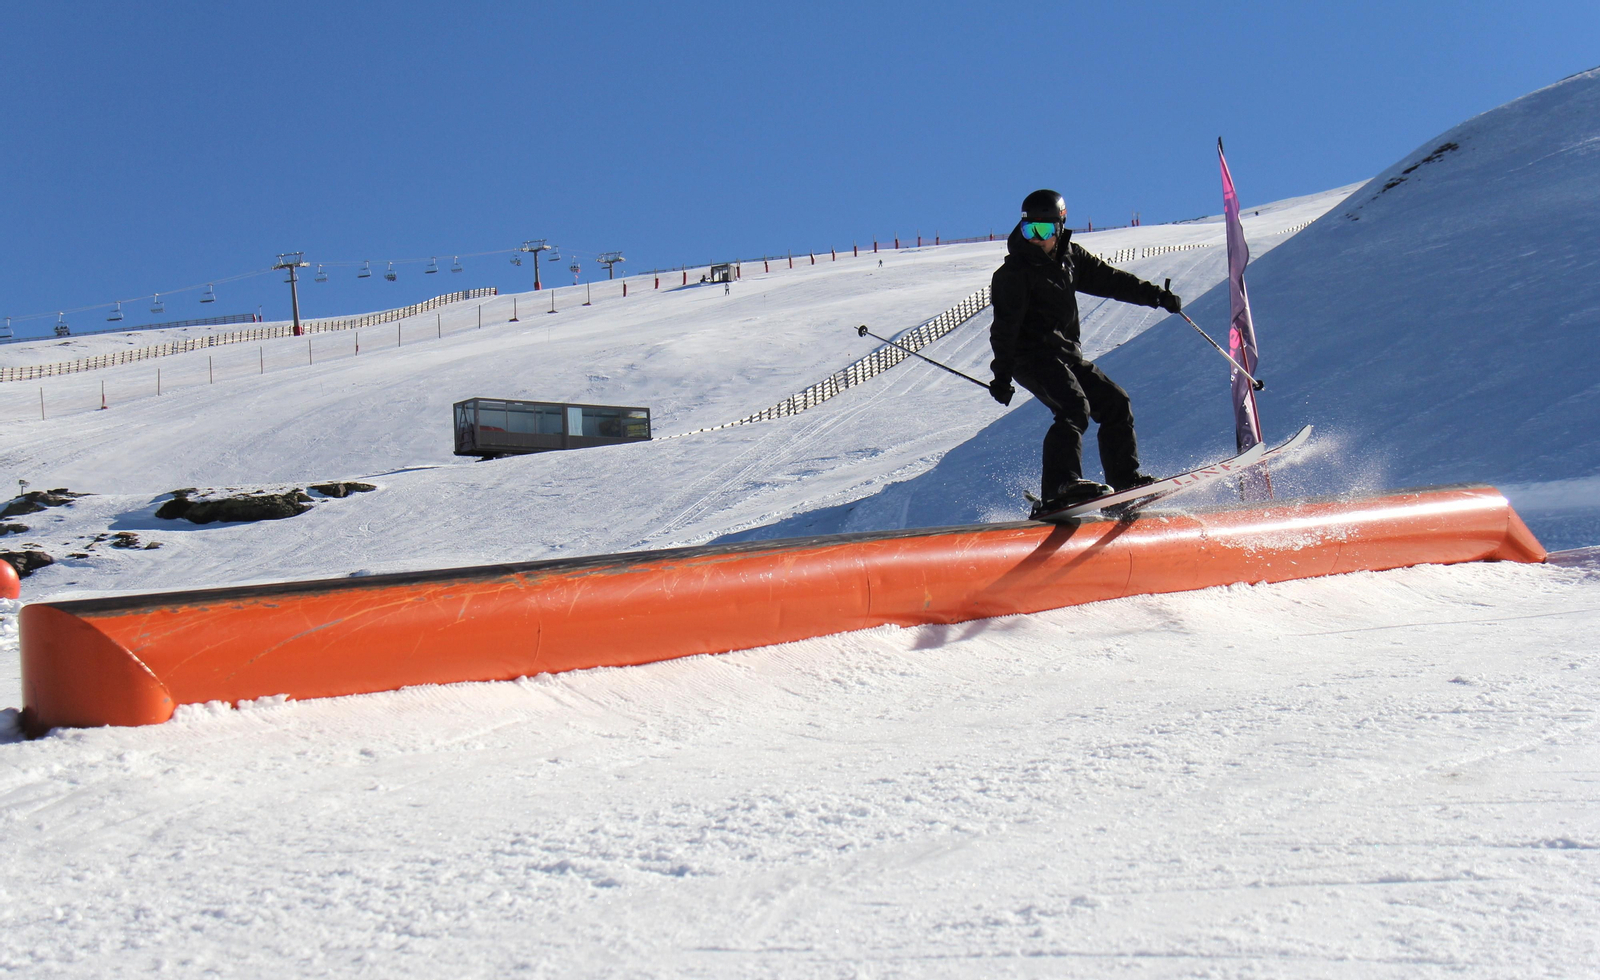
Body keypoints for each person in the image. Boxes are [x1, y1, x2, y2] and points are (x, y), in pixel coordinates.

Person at [989, 189, 1182, 516]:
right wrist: (1002, 375)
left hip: (1065, 356)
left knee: (1115, 402)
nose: (1036, 238)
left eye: (1044, 230)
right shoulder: (1013, 274)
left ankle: (1124, 484)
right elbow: (1004, 328)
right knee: (1073, 407)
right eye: (1029, 229)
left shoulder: (1071, 257)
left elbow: (1112, 281)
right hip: (1030, 357)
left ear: (1060, 227)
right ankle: (1060, 488)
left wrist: (1156, 296)